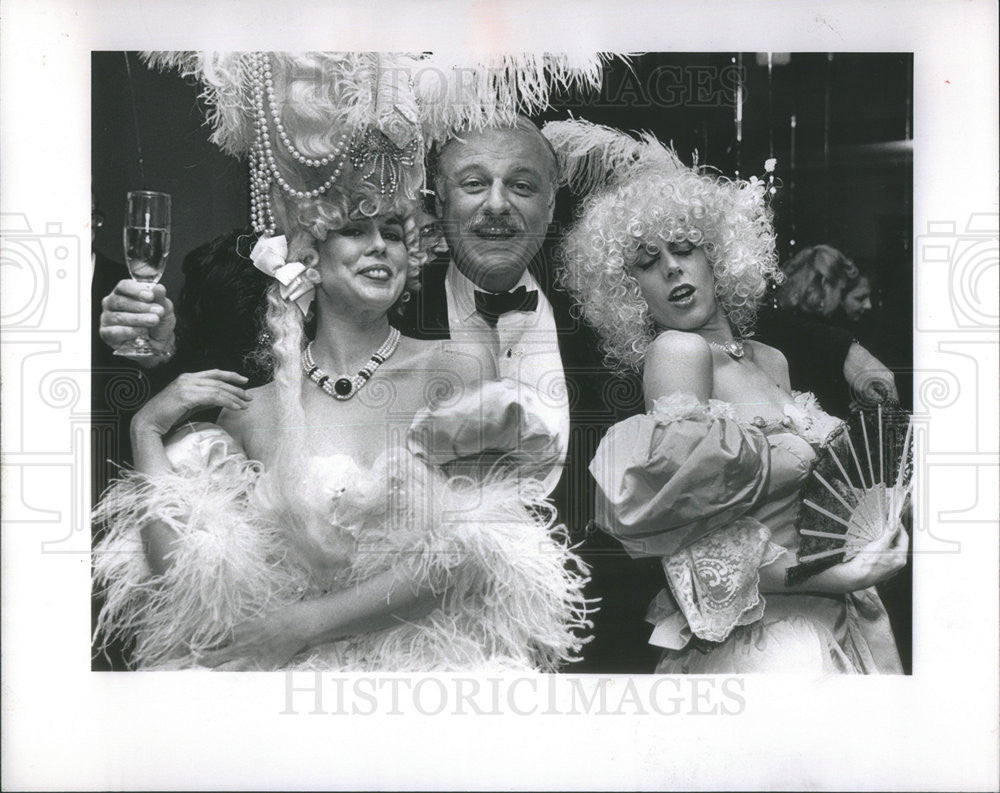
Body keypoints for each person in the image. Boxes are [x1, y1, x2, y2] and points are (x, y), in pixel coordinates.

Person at [92, 53, 589, 672]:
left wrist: (303, 626)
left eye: (394, 232)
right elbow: (186, 574)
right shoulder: (257, 404)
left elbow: (472, 554)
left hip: (420, 673)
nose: (380, 244)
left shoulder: (454, 372)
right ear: (309, 258)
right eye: (357, 230)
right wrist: (145, 427)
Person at [547, 119, 907, 673]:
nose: (671, 267)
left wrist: (872, 544)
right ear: (628, 291)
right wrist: (846, 573)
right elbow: (691, 555)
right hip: (766, 646)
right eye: (646, 261)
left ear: (717, 254)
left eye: (685, 248)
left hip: (839, 622)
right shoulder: (677, 353)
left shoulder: (772, 357)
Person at [755, 244, 898, 418]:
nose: (840, 299)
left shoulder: (801, 331)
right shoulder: (790, 331)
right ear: (824, 283)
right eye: (840, 289)